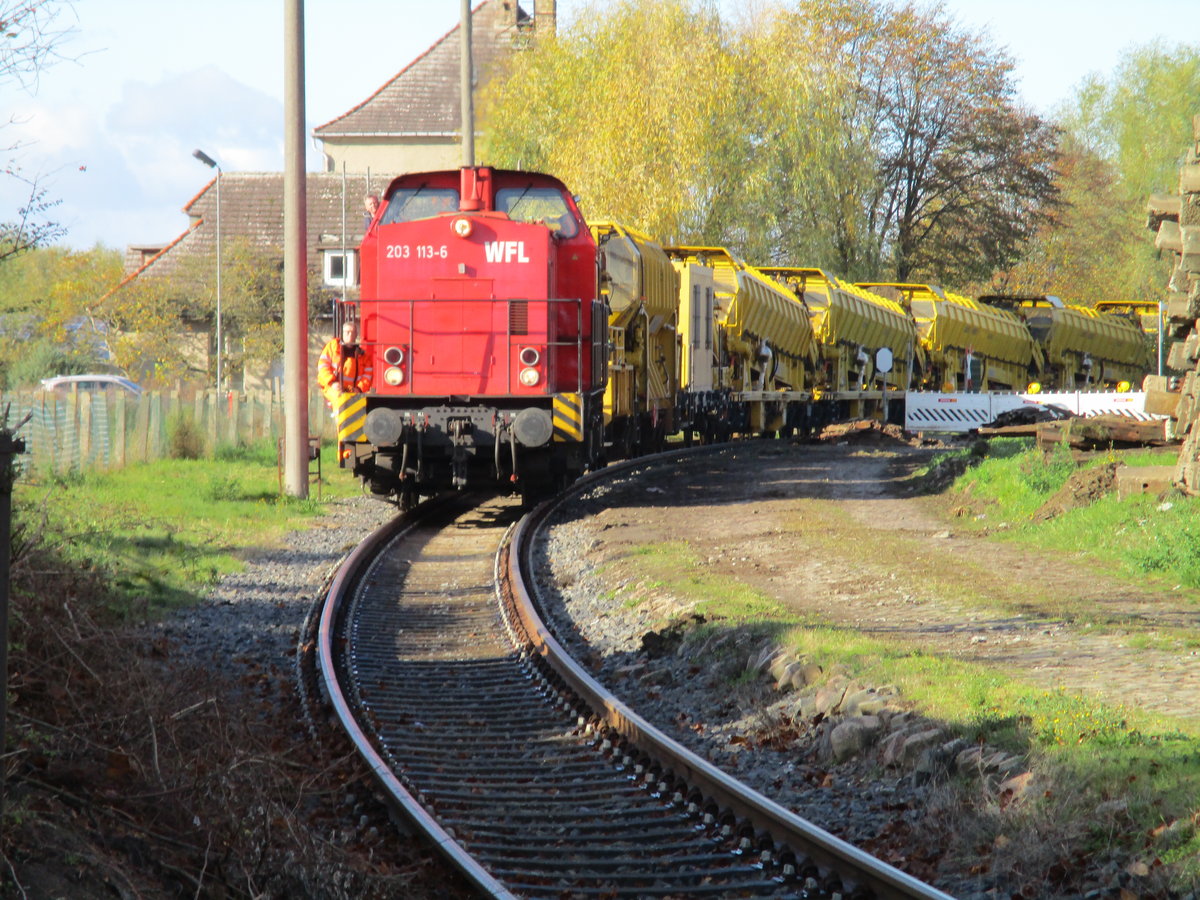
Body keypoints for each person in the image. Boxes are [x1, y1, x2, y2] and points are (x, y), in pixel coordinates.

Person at [317, 318, 373, 410]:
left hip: (352, 391)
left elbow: (368, 376)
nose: (350, 335)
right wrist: (332, 383)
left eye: (352, 332)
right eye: (347, 332)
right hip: (332, 387)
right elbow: (323, 367)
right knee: (338, 400)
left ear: (356, 335)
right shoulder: (332, 347)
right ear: (342, 334)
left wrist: (359, 389)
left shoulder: (363, 355)